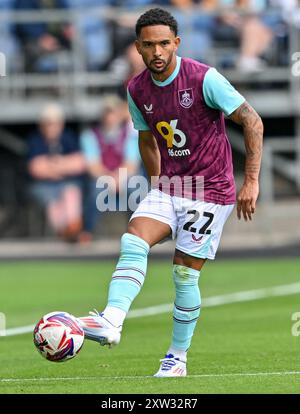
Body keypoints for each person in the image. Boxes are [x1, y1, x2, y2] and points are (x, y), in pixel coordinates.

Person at [77, 8, 263, 377]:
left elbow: (252, 121)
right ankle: (112, 321)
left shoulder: (203, 78)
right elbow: (146, 139)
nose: (157, 51)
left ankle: (176, 358)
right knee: (133, 240)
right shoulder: (136, 89)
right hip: (173, 185)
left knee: (184, 275)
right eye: (149, 45)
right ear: (138, 48)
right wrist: (157, 180)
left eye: (164, 43)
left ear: (177, 43)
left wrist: (252, 180)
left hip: (210, 189)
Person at [79, 95, 141, 242]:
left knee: (137, 189)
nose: (110, 117)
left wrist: (118, 178)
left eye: (113, 112)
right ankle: (87, 232)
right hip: (102, 178)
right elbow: (93, 165)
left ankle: (138, 233)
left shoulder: (131, 134)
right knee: (95, 192)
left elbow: (131, 163)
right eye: (107, 112)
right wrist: (109, 179)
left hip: (124, 177)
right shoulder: (90, 135)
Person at [28, 103, 86, 241]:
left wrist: (51, 165)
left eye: (54, 123)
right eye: (48, 123)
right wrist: (64, 165)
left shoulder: (69, 138)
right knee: (53, 203)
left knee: (70, 193)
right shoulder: (35, 141)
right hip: (44, 185)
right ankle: (65, 232)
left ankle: (72, 229)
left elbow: (80, 163)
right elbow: (35, 169)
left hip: (68, 182)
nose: (51, 127)